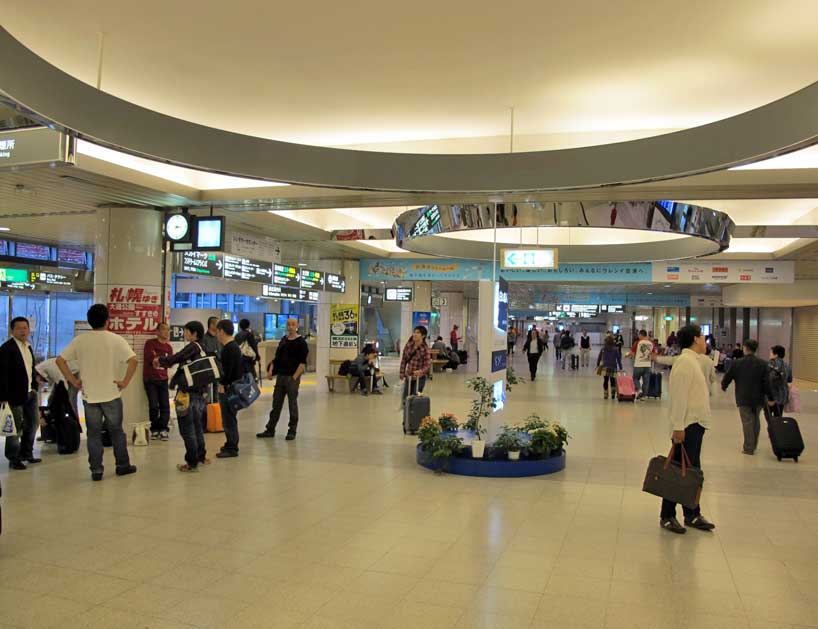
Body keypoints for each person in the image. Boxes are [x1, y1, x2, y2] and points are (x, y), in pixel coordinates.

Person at [57, 304, 138, 482]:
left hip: (89, 394)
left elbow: (60, 360)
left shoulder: (80, 340)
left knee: (93, 434)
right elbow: (133, 360)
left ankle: (96, 470)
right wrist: (124, 381)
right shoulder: (115, 339)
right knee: (117, 431)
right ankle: (122, 465)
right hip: (111, 393)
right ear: (107, 320)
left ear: (89, 321)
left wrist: (73, 380)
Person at [660, 324, 716, 534]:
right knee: (678, 471)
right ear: (695, 339)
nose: (705, 341)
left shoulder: (692, 361)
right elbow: (678, 397)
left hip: (695, 425)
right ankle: (667, 515)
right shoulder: (684, 363)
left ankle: (692, 512)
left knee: (690, 472)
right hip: (687, 427)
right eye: (703, 337)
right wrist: (678, 427)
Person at [157, 321, 210, 472]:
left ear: (194, 333)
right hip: (200, 393)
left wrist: (159, 360)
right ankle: (201, 456)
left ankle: (191, 462)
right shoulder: (204, 347)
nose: (184, 334)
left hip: (187, 394)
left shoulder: (193, 347)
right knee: (197, 426)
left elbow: (175, 358)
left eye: (186, 331)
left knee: (187, 429)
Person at [257, 317, 309, 441]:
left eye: (293, 324)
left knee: (292, 405)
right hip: (281, 377)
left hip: (292, 378)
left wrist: (294, 377)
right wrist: (271, 370)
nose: (290, 326)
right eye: (288, 324)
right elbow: (277, 358)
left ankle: (292, 430)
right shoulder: (284, 340)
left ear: (297, 326)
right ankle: (270, 429)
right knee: (276, 404)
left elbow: (302, 363)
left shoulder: (301, 342)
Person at [0, 317, 41, 470]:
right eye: (19, 328)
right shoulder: (6, 349)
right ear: (12, 330)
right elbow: (2, 374)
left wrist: (35, 386)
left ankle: (27, 453)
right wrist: (3, 397)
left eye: (25, 328)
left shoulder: (28, 347)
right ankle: (13, 458)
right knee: (15, 428)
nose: (23, 331)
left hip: (30, 392)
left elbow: (30, 368)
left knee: (33, 423)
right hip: (14, 395)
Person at [721, 339, 774, 455]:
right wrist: (770, 397)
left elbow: (728, 376)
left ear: (745, 348)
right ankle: (753, 444)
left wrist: (724, 386)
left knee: (747, 421)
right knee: (755, 420)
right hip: (759, 397)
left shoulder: (737, 363)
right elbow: (767, 383)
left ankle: (749, 447)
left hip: (743, 397)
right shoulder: (763, 364)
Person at [215, 319, 244, 457]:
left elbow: (228, 372)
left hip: (229, 389)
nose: (217, 335)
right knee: (229, 417)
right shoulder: (234, 347)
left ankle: (232, 447)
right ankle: (230, 443)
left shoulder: (229, 349)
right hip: (234, 387)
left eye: (217, 332)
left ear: (221, 331)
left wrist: (222, 385)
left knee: (228, 418)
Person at [143, 322, 172, 441]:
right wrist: (161, 360)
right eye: (163, 329)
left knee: (165, 405)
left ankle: (163, 429)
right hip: (151, 379)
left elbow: (169, 362)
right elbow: (152, 359)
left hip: (163, 379)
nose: (166, 332)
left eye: (168, 330)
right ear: (157, 332)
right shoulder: (150, 344)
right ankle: (154, 429)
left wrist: (160, 360)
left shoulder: (169, 347)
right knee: (154, 406)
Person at [400, 325, 431, 404]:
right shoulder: (409, 345)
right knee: (405, 399)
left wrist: (420, 371)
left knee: (415, 400)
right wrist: (402, 373)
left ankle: (414, 415)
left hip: (419, 379)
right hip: (408, 376)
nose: (414, 334)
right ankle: (406, 414)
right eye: (414, 332)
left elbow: (427, 365)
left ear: (423, 336)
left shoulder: (425, 349)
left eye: (417, 333)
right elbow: (404, 360)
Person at [767, 345, 793, 417]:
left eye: (771, 353)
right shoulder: (787, 366)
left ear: (776, 355)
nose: (769, 354)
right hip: (782, 396)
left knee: (768, 416)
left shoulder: (770, 364)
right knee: (778, 417)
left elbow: (768, 379)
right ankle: (777, 427)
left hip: (771, 396)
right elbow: (789, 380)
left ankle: (771, 428)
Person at [632, 330, 654, 400]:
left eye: (639, 335)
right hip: (647, 365)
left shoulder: (637, 342)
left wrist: (630, 356)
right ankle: (644, 396)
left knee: (635, 378)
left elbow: (632, 353)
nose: (638, 336)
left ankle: (639, 390)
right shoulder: (651, 343)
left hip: (638, 364)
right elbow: (653, 355)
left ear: (641, 335)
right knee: (646, 381)